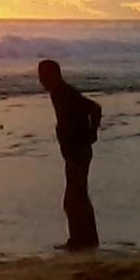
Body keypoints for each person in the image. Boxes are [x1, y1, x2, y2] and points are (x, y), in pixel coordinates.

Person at [38, 59, 102, 250]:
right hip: (73, 151)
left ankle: (82, 240)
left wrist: (92, 133)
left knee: (74, 198)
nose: (41, 79)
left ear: (54, 75)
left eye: (43, 75)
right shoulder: (58, 93)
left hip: (78, 151)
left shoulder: (64, 93)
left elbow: (95, 108)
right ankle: (85, 239)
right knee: (77, 196)